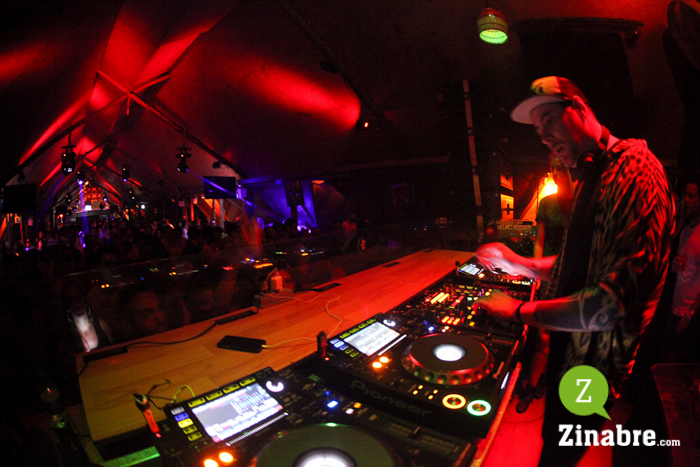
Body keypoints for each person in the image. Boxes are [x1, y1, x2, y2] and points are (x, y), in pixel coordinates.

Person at [473, 76, 675, 466]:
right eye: (538, 130)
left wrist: (516, 310)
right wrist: (521, 264)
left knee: (558, 457)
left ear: (579, 109)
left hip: (596, 366)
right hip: (573, 351)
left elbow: (609, 305)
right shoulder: (595, 176)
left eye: (548, 120)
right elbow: (582, 264)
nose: (544, 137)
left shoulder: (636, 170)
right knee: (553, 440)